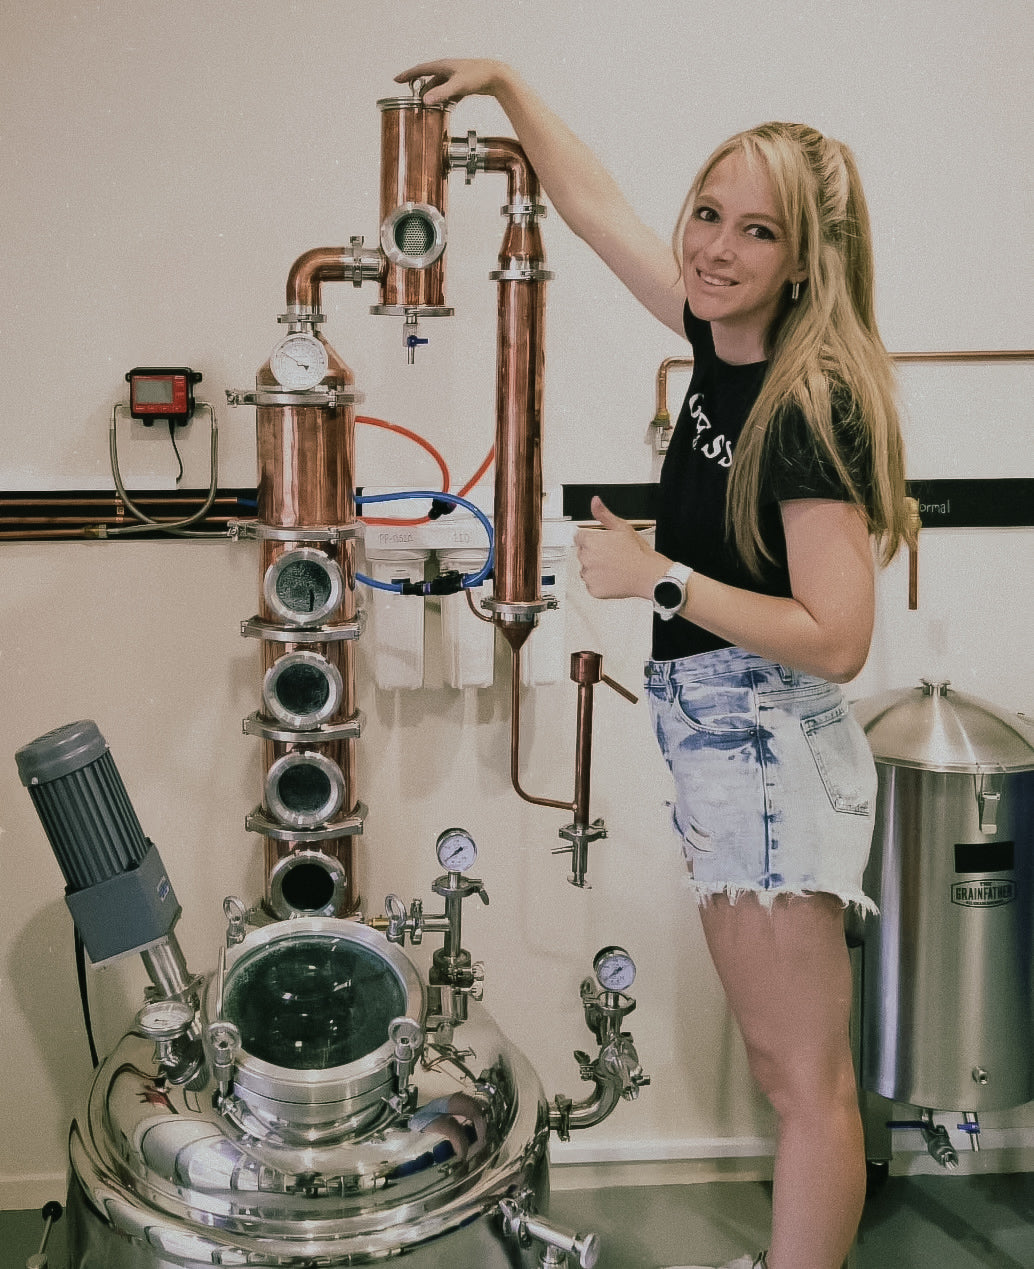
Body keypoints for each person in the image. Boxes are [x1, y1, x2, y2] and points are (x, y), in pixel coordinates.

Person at [396, 60, 911, 1269]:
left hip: (766, 745)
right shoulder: (719, 338)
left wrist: (660, 577)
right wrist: (507, 89)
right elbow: (595, 210)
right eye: (707, 214)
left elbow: (837, 636)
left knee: (801, 1082)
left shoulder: (804, 400)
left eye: (757, 231)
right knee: (788, 1070)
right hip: (730, 743)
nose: (715, 248)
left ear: (805, 257)